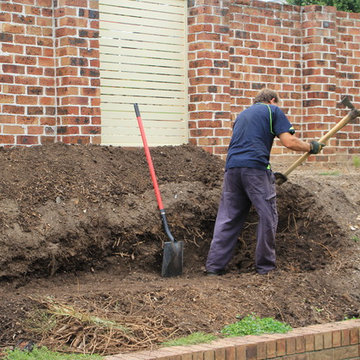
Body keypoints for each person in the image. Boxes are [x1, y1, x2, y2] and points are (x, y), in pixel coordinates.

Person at [205, 88, 325, 276]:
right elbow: (289, 141)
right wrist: (311, 147)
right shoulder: (272, 110)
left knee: (228, 218)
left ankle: (214, 267)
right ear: (272, 100)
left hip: (232, 170)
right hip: (255, 169)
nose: (279, 107)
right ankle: (265, 268)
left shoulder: (242, 115)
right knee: (268, 216)